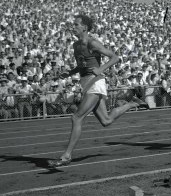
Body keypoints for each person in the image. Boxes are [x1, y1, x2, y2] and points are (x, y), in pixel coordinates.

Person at [48, 14, 149, 167]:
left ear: (85, 27)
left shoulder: (92, 43)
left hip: (96, 82)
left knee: (76, 117)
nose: (73, 27)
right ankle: (132, 104)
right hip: (86, 82)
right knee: (106, 121)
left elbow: (115, 57)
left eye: (76, 25)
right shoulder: (76, 45)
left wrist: (100, 69)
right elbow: (82, 65)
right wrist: (69, 73)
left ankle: (66, 155)